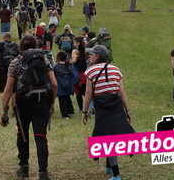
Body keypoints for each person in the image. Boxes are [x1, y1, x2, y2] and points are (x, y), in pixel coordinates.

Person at [0, 34, 57, 180]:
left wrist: (3, 111)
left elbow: (8, 88)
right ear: (36, 46)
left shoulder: (15, 63)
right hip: (42, 101)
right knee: (41, 136)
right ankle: (43, 171)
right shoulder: (44, 60)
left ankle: (24, 167)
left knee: (22, 134)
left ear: (20, 48)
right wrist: (51, 102)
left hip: (23, 102)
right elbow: (54, 84)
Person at [82, 45, 134, 180]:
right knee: (111, 134)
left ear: (97, 56)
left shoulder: (90, 70)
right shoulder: (116, 70)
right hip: (116, 106)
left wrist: (84, 111)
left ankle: (116, 174)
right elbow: (122, 92)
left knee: (107, 138)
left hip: (102, 107)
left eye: (91, 54)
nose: (89, 56)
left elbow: (88, 93)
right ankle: (109, 167)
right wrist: (127, 111)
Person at [53, 51, 76, 118]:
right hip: (68, 84)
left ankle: (64, 114)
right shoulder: (68, 65)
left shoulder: (57, 66)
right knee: (67, 97)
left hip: (61, 85)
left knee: (62, 99)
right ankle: (70, 111)